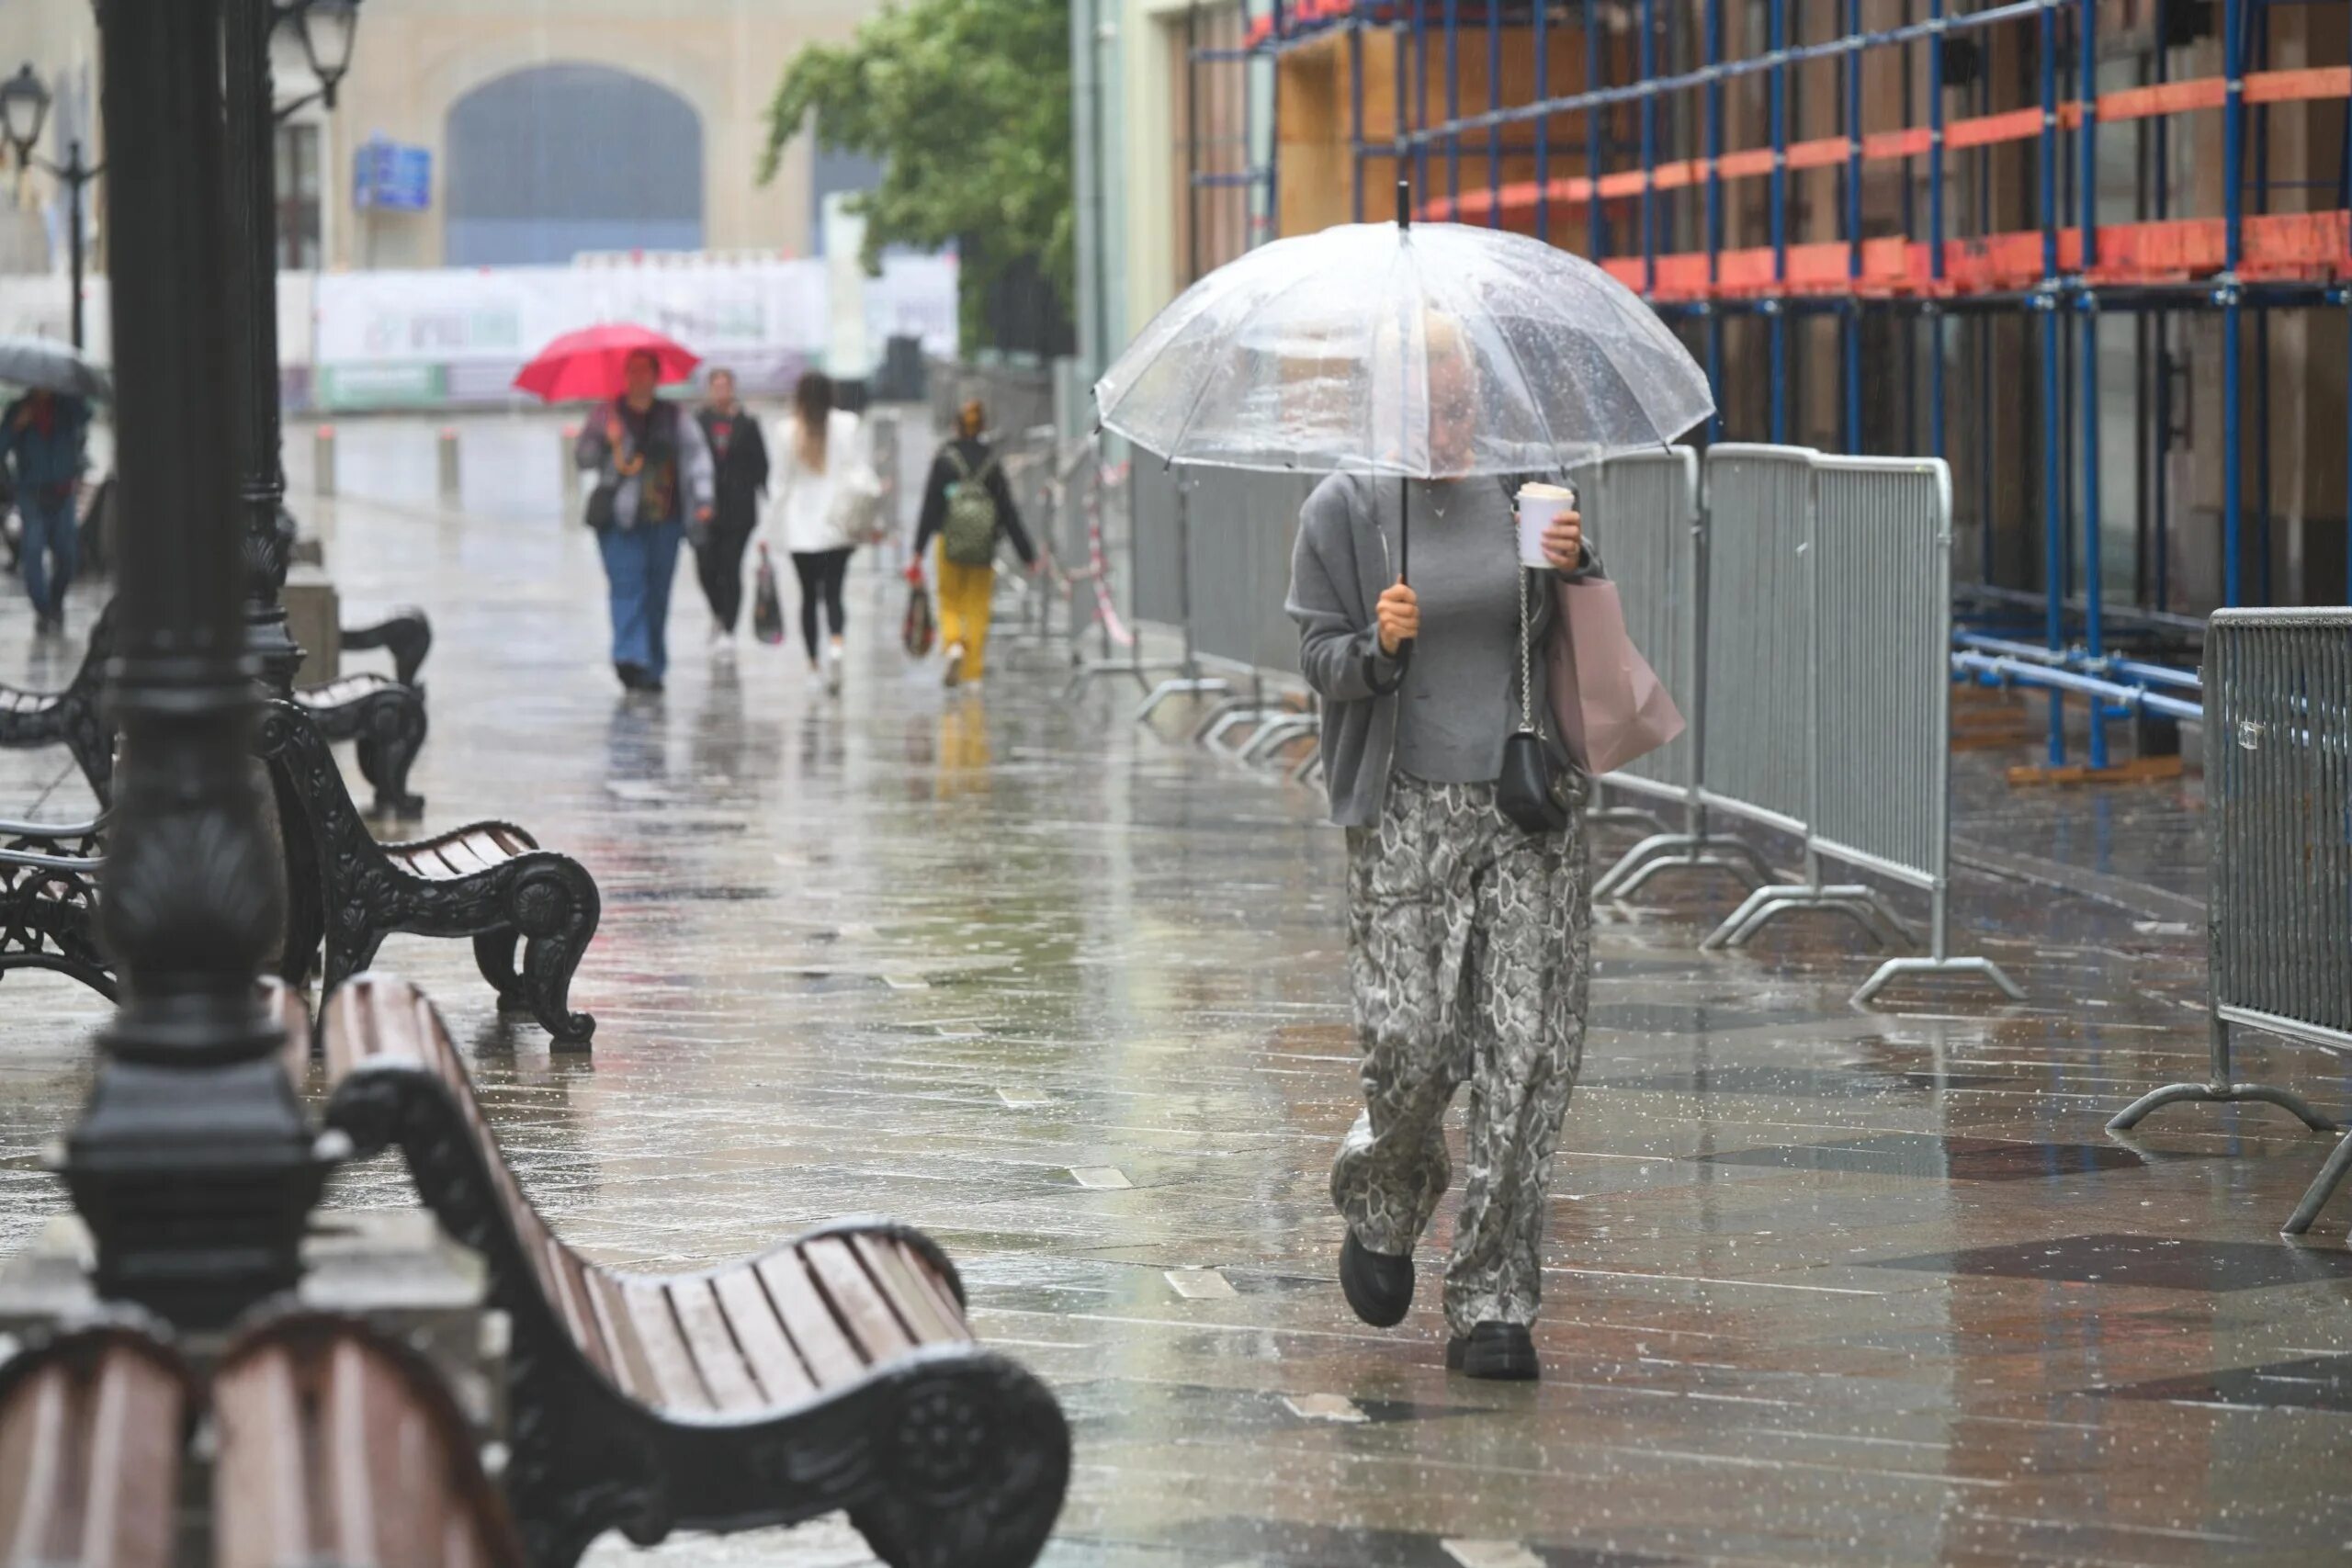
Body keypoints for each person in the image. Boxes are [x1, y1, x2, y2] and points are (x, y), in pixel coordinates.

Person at [1284, 312, 1597, 1383]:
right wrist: (1377, 646)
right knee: (1414, 1042)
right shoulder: (1345, 510)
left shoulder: (1527, 488)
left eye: (1462, 404)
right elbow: (1320, 658)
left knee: (1525, 1056)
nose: (1451, 426)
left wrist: (1575, 562)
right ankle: (1382, 1196)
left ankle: (1496, 1301)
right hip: (1405, 809)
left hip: (1524, 809)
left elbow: (1573, 628)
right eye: (1430, 408)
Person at [575, 348, 714, 694]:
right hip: (619, 521)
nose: (639, 378)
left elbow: (697, 457)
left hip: (665, 517)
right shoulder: (606, 414)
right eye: (632, 371)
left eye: (645, 371)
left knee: (657, 593)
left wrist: (704, 499)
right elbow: (583, 459)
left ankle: (652, 664)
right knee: (627, 587)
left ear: (655, 375)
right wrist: (605, 441)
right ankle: (629, 658)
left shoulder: (674, 416)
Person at [911, 400, 1035, 689]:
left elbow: (930, 507)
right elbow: (1008, 511)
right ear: (983, 427)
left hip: (948, 542)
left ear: (956, 425)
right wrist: (1026, 553)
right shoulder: (991, 462)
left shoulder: (945, 459)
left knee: (948, 599)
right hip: (983, 547)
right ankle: (973, 672)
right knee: (977, 605)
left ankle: (954, 644)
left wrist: (917, 550)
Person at [771, 371, 865, 694]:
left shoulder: (786, 432)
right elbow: (855, 472)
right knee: (835, 593)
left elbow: (780, 485)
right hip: (836, 525)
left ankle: (813, 665)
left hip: (801, 529)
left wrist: (772, 531)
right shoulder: (847, 425)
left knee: (809, 599)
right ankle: (837, 646)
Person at [1, 389, 90, 637]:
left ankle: (56, 601)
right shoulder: (18, 409)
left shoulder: (68, 406)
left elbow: (85, 417)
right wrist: (17, 425)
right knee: (32, 553)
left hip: (63, 493)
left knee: (67, 555)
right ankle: (43, 610)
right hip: (32, 494)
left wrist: (70, 397)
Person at [693, 368, 770, 657]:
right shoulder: (698, 423)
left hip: (739, 509)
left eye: (726, 385)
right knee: (705, 567)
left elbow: (762, 466)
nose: (721, 391)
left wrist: (770, 507)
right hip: (706, 508)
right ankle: (717, 612)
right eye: (717, 386)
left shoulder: (747, 424)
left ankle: (729, 628)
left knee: (731, 566)